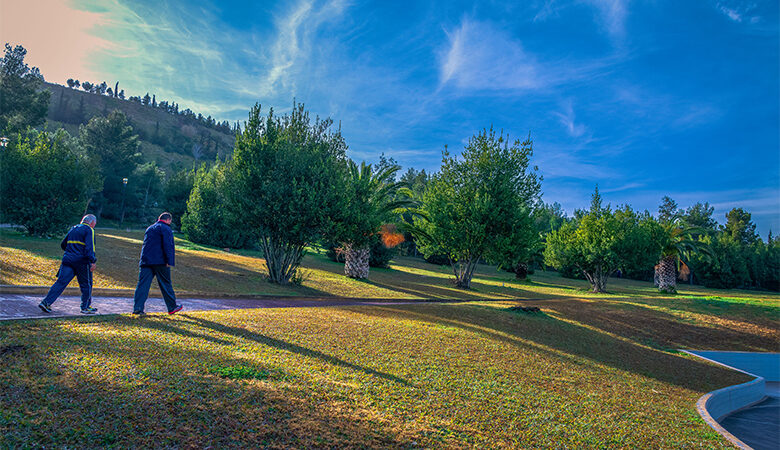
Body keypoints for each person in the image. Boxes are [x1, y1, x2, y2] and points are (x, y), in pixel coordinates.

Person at [38, 214, 98, 314]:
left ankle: (46, 302)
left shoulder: (73, 229)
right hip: (82, 262)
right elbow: (89, 248)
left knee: (60, 282)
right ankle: (85, 307)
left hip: (68, 260)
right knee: (86, 285)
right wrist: (92, 261)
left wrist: (71, 252)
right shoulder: (89, 230)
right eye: (94, 224)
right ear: (92, 223)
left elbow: (63, 244)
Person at [132, 212, 182, 315]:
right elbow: (168, 246)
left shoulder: (149, 228)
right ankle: (172, 307)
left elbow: (145, 245)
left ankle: (138, 308)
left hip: (146, 261)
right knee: (166, 284)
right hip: (161, 261)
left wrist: (142, 260)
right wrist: (169, 261)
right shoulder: (166, 229)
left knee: (142, 285)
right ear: (168, 220)